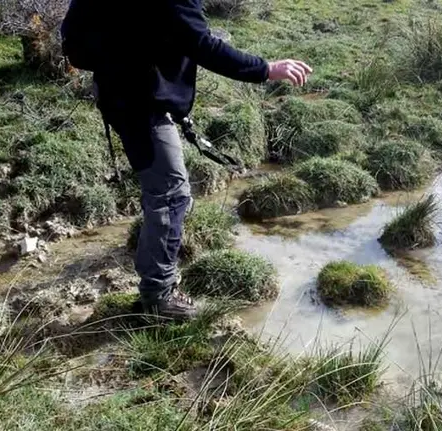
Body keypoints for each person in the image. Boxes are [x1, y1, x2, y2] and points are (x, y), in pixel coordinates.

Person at [92, 0, 312, 321]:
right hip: (139, 104)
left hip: (117, 91)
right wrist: (266, 69)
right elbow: (203, 46)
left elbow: (74, 36)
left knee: (167, 191)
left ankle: (156, 285)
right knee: (171, 194)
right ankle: (158, 299)